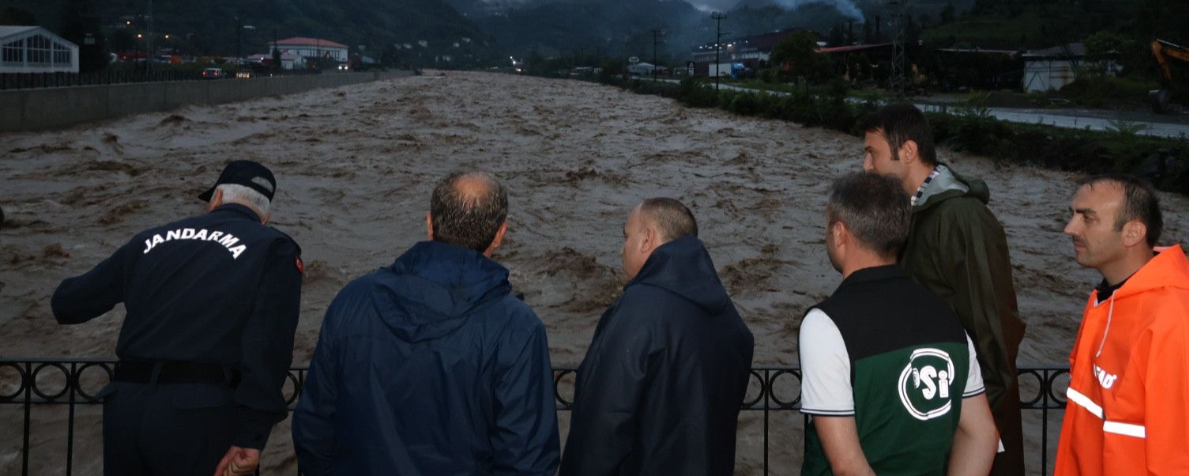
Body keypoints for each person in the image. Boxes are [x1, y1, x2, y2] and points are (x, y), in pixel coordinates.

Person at [292, 170, 559, 476]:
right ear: (500, 234)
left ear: (430, 224)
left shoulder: (353, 300)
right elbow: (526, 459)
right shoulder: (517, 329)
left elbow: (314, 425)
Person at [51, 160, 302, 476]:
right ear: (264, 217)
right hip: (200, 416)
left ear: (216, 199)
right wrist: (253, 434)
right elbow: (269, 344)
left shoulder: (149, 240)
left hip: (125, 408)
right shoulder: (271, 246)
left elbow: (68, 304)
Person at [861, 102, 1025, 475]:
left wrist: (978, 434)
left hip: (965, 427)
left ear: (907, 152)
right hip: (932, 414)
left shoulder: (962, 218)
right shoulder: (913, 214)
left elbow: (994, 332)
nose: (866, 166)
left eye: (871, 153)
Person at [800, 171, 999, 476]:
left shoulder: (825, 324)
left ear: (840, 234)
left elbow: (849, 467)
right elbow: (981, 434)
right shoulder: (946, 318)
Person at [1055, 175, 1189, 475]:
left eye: (1087, 218)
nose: (1070, 228)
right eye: (1073, 214)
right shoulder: (1105, 300)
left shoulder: (1176, 322)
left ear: (1132, 232)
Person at [560, 198, 755, 476]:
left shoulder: (637, 311)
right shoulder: (730, 321)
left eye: (627, 236)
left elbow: (602, 425)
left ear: (647, 239)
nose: (621, 249)